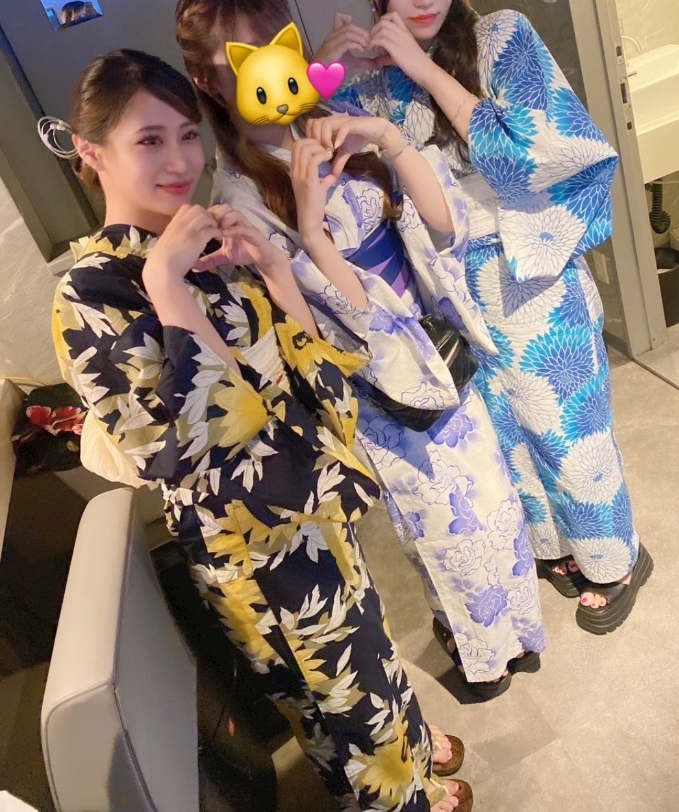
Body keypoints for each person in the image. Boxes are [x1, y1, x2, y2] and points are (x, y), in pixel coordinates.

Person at [47, 48, 470, 812]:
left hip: (314, 501)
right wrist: (167, 289)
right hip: (257, 545)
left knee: (364, 651)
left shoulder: (203, 240)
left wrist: (273, 268)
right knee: (334, 699)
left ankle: (405, 744)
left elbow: (308, 369)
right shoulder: (92, 293)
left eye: (187, 134)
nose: (181, 160)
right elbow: (183, 451)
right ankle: (398, 793)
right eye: (149, 140)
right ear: (92, 151)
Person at [175, 0, 545, 702]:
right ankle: (478, 650)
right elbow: (317, 329)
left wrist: (386, 137)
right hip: (383, 383)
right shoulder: (240, 199)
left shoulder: (329, 118)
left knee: (494, 499)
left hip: (436, 342)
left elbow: (442, 222)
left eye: (277, 44)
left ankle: (519, 628)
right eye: (242, 59)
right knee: (444, 528)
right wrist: (311, 230)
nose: (270, 67)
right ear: (210, 81)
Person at [318, 0, 652, 634]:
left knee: (566, 431)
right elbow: (337, 180)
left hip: (534, 274)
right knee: (512, 437)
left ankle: (617, 559)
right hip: (454, 288)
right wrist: (322, 73)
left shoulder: (502, 39)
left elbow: (536, 153)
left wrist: (426, 69)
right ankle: (561, 549)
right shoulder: (371, 80)